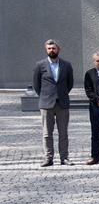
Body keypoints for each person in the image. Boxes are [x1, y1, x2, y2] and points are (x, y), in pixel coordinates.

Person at [33, 39, 74, 167]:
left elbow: (70, 83)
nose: (52, 50)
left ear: (58, 49)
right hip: (46, 103)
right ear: (46, 50)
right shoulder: (40, 65)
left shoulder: (66, 65)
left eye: (54, 48)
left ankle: (64, 158)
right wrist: (46, 96)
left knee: (63, 133)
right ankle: (48, 158)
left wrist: (61, 94)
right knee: (47, 133)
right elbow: (36, 85)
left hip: (62, 103)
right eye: (49, 48)